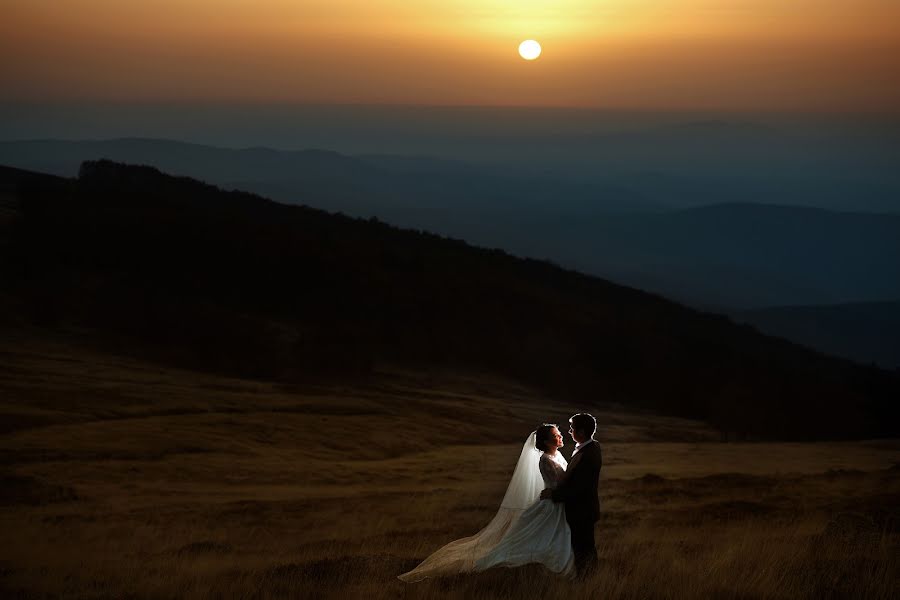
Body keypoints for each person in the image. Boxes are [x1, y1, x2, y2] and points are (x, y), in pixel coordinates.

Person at [398, 424, 573, 582]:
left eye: (559, 434)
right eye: (556, 435)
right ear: (546, 441)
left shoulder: (556, 455)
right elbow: (561, 483)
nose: (561, 437)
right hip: (553, 504)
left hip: (556, 500)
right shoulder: (546, 460)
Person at [540, 413, 602, 577]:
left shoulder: (589, 453)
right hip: (581, 509)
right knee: (583, 548)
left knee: (584, 549)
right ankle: (587, 578)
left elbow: (577, 488)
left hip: (582, 510)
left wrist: (553, 495)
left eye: (572, 428)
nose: (568, 432)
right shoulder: (589, 448)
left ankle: (587, 581)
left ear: (581, 432)